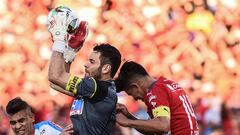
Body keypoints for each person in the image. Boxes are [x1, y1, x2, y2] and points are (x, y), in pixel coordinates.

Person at [47, 9, 122, 135]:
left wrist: (59, 38)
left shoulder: (98, 88)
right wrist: (70, 51)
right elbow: (56, 83)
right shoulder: (93, 90)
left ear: (106, 68)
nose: (86, 64)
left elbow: (55, 76)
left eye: (92, 62)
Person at [115, 61, 199, 135]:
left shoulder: (155, 92)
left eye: (131, 94)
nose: (135, 98)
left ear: (135, 86)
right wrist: (129, 116)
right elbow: (153, 128)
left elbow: (163, 126)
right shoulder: (165, 84)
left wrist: (128, 122)